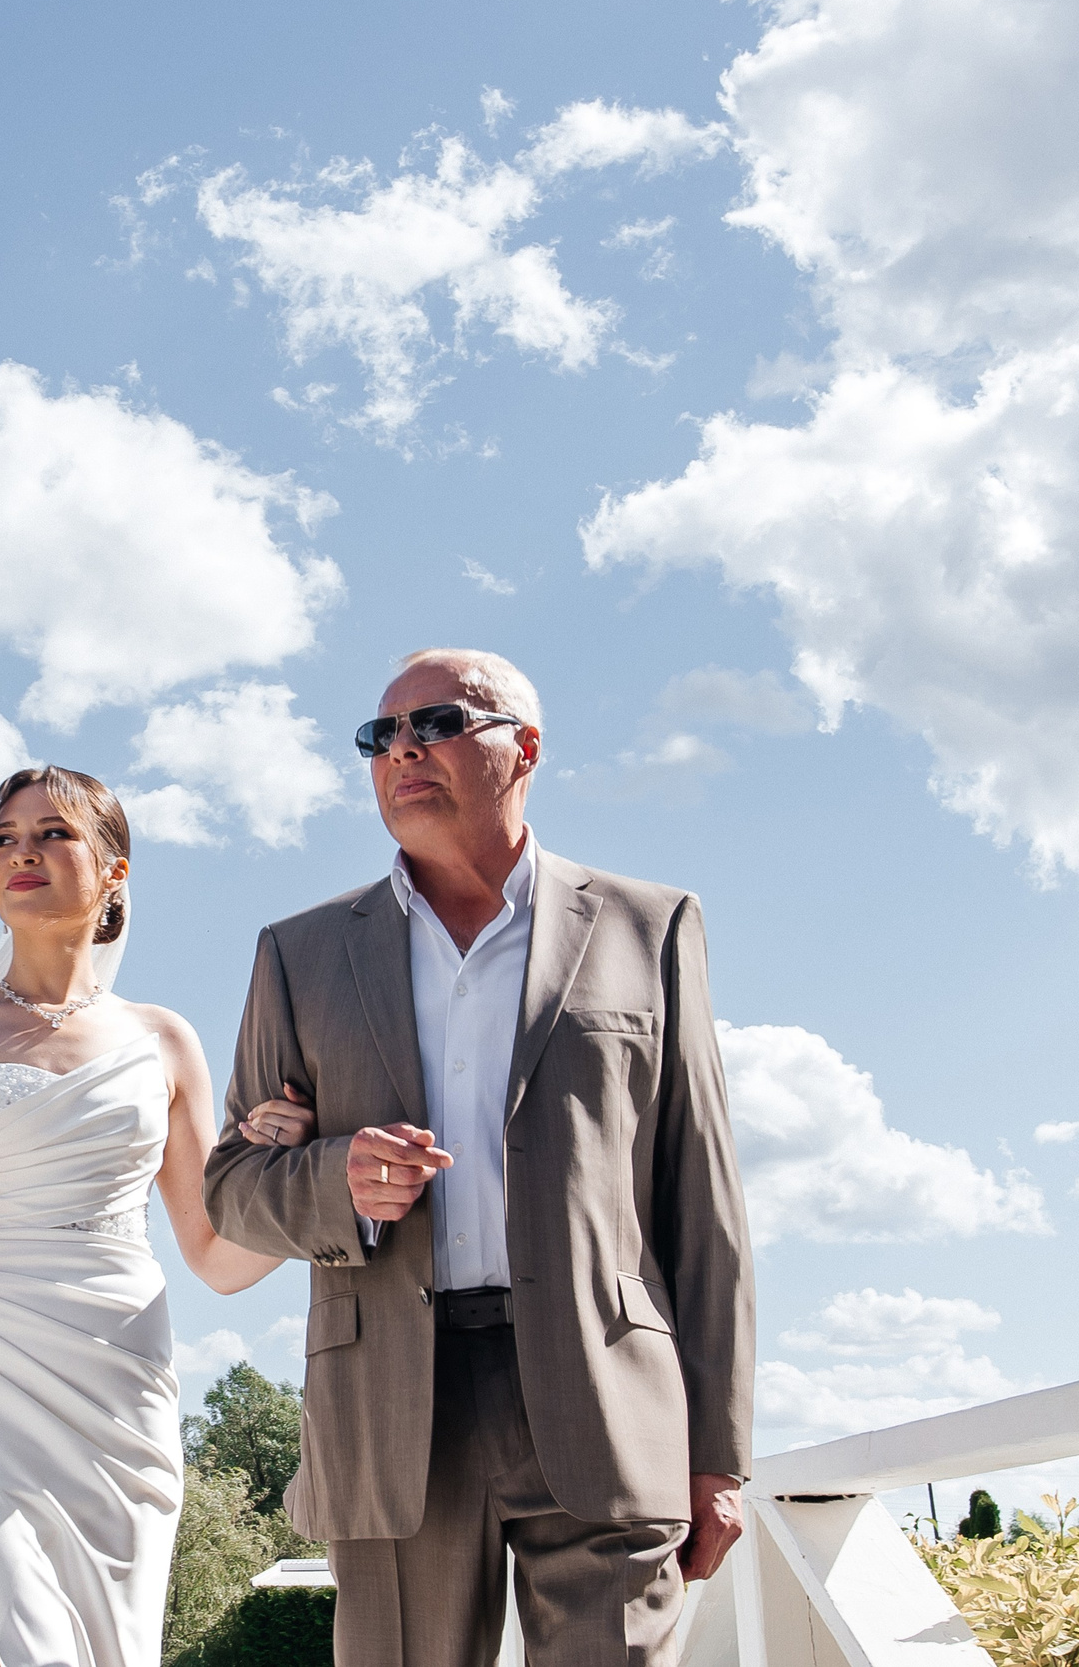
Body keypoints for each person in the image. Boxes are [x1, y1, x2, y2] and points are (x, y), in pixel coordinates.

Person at [203, 649, 756, 1667]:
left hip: (607, 1392)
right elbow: (232, 1190)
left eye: (436, 722)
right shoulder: (300, 951)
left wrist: (717, 1452)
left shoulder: (651, 925)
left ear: (523, 747)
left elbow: (701, 1203)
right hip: (391, 1409)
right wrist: (339, 1181)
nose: (401, 750)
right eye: (380, 735)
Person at [0, 765, 319, 1667]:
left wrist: (296, 1185)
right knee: (7, 1640)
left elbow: (216, 1254)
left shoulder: (164, 1040)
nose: (22, 853)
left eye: (54, 833)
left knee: (109, 1644)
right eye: (5, 838)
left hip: (115, 1376)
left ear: (115, 868)